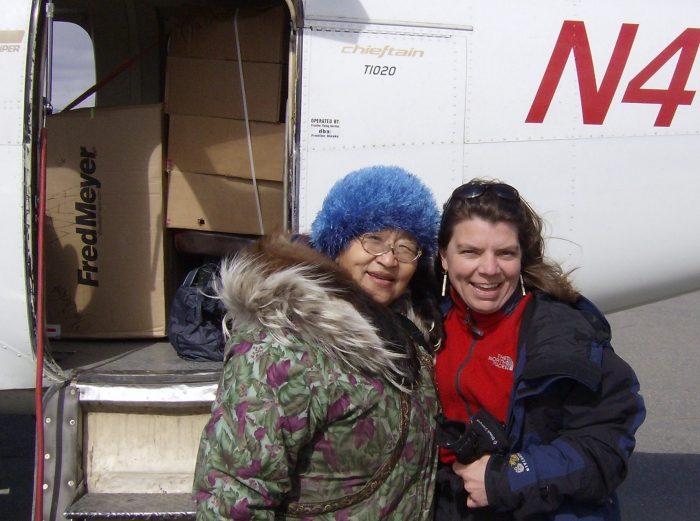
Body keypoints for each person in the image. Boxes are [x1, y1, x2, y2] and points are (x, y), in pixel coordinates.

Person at [193, 165, 444, 520]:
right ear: (338, 240)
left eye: (406, 248)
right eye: (373, 239)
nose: (388, 259)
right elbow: (234, 497)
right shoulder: (282, 343)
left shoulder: (408, 331)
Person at [433, 179, 646, 521]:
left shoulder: (563, 335)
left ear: (521, 258)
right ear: (444, 257)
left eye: (505, 253)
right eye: (470, 252)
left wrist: (508, 477)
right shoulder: (425, 325)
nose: (488, 269)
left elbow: (605, 449)